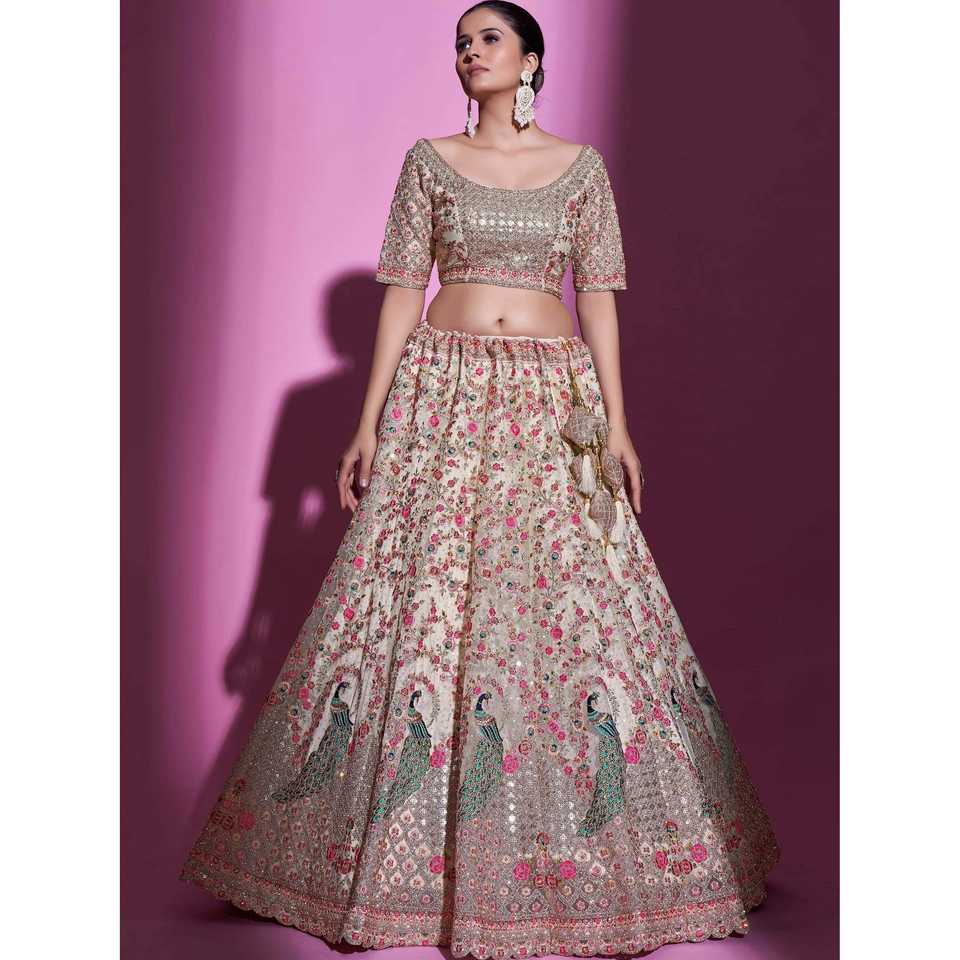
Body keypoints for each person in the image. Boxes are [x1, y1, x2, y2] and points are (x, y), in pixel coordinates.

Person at [178, 3, 781, 956]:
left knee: (566, 603)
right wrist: (368, 420)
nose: (469, 52)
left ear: (532, 59)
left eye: (488, 38)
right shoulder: (428, 161)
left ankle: (573, 854)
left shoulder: (582, 169)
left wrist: (619, 424)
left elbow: (601, 299)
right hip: (444, 391)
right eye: (460, 42)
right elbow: (400, 291)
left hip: (549, 397)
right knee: (427, 601)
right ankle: (401, 863)